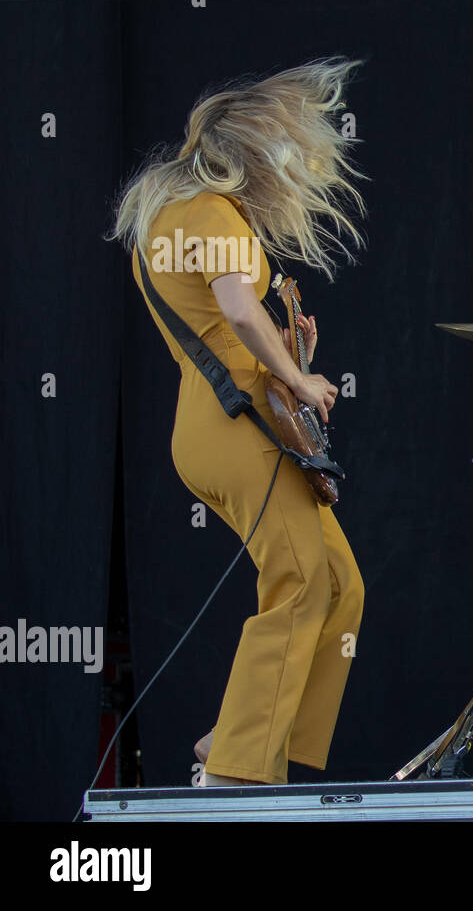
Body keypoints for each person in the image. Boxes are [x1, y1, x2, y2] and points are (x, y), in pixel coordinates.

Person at [109, 58, 367, 783]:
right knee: (301, 584)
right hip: (235, 426)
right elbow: (233, 311)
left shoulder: (166, 220)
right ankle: (237, 769)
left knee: (340, 584)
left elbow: (217, 328)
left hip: (215, 421)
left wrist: (288, 352)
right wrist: (299, 376)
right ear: (255, 154)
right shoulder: (212, 213)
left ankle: (242, 737)